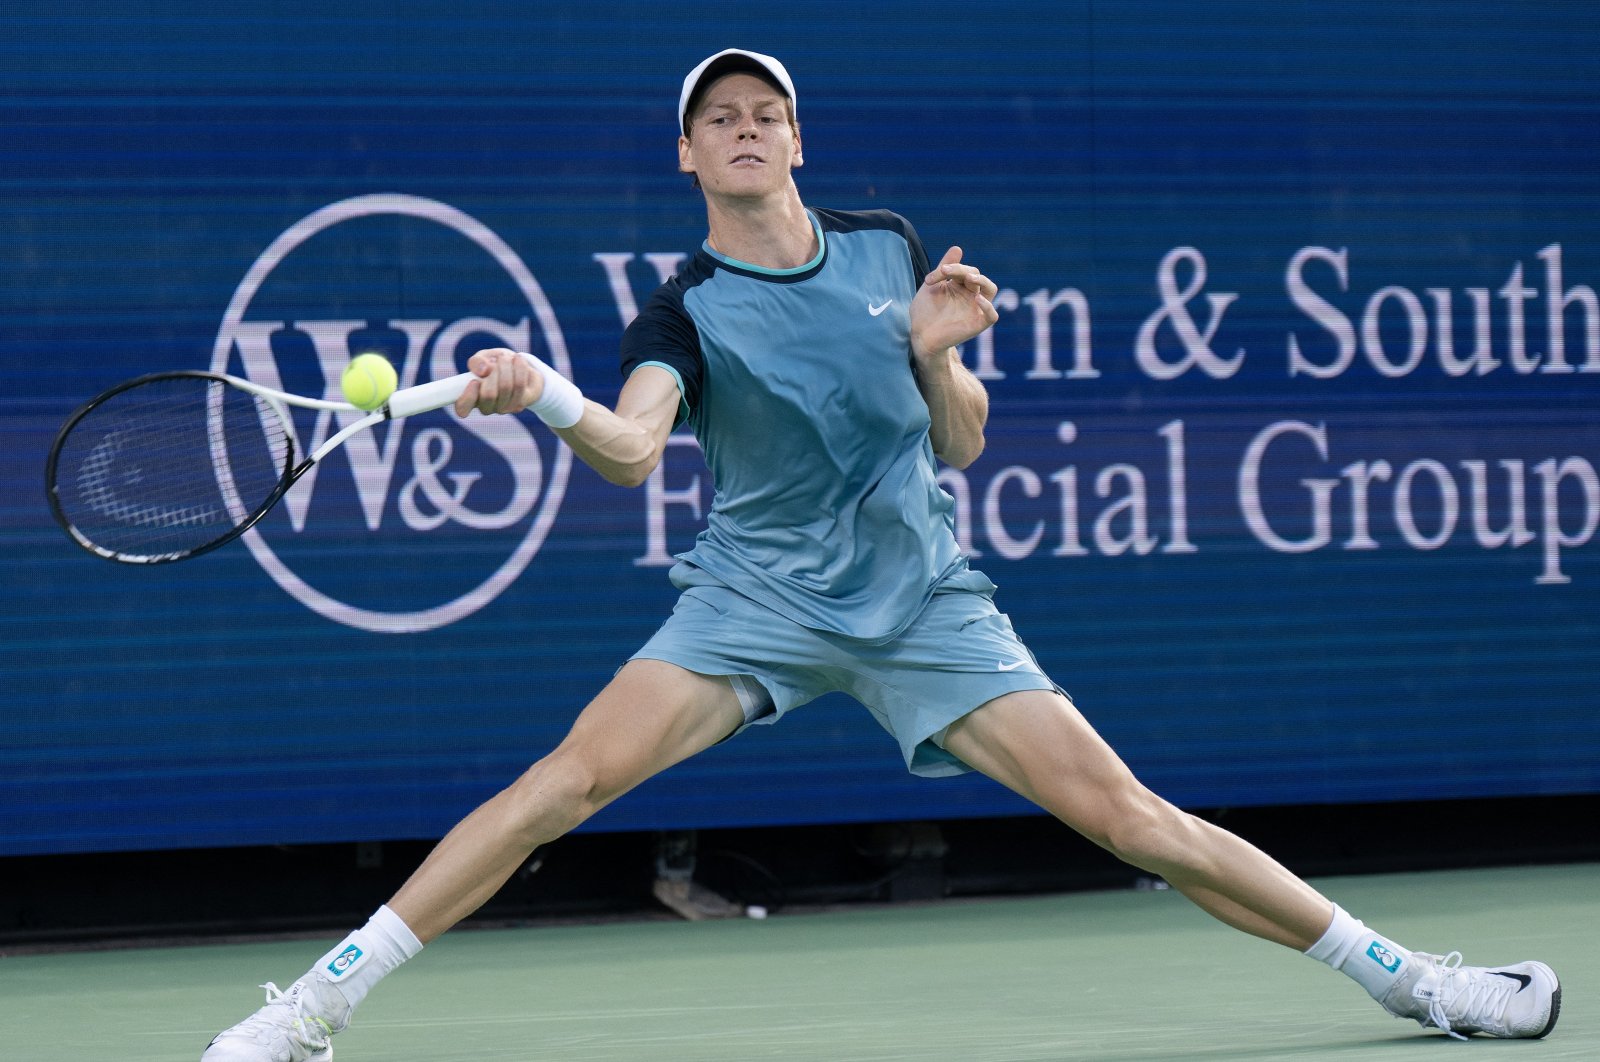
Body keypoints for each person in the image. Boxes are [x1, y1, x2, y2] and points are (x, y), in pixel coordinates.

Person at [202, 48, 1561, 1060]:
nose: (745, 131)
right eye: (718, 120)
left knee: (1133, 819)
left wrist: (931, 351)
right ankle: (319, 1003)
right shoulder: (680, 306)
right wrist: (542, 391)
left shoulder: (887, 249)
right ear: (687, 157)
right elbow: (629, 450)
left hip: (923, 601)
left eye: (765, 114)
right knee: (563, 782)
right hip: (752, 601)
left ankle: (1410, 979)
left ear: (798, 138)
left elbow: (960, 443)